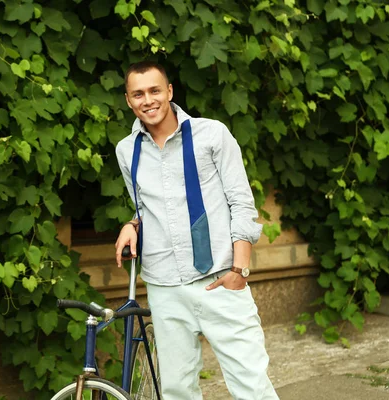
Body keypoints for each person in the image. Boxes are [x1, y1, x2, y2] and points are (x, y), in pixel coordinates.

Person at [114, 61, 279, 400]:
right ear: (129, 100)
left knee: (252, 386)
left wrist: (239, 270)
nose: (148, 100)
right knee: (177, 390)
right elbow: (147, 207)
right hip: (164, 286)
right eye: (138, 94)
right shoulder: (126, 150)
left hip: (220, 279)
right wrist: (132, 224)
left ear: (170, 92)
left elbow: (241, 203)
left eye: (154, 90)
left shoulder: (212, 134)